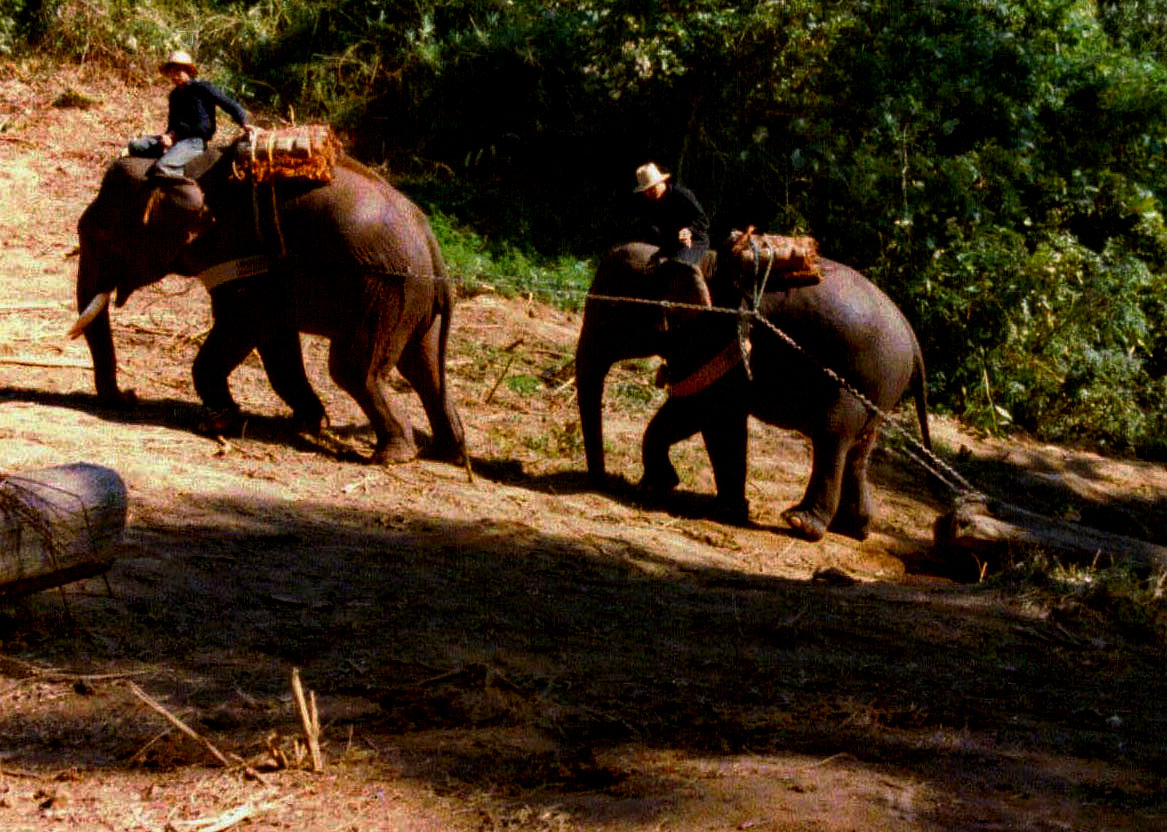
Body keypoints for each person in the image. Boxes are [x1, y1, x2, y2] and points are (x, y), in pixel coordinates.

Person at [127, 50, 255, 180]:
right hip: (177, 140)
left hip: (195, 141)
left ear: (187, 70)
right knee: (134, 146)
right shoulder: (174, 95)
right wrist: (168, 137)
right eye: (172, 71)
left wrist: (244, 123)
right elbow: (173, 124)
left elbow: (229, 104)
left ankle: (183, 195)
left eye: (178, 70)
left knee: (164, 167)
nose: (174, 75)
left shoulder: (202, 88)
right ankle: (170, 156)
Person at [633, 162, 710, 271]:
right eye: (647, 191)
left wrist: (689, 230)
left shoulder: (681, 194)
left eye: (652, 188)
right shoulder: (651, 202)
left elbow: (703, 220)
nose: (650, 193)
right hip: (670, 244)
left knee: (677, 269)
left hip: (693, 241)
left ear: (661, 182)